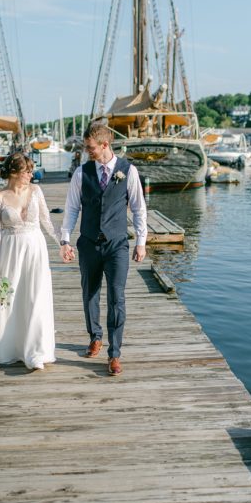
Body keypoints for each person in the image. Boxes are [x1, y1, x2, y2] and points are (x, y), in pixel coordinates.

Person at [59, 121, 147, 376]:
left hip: (117, 244)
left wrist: (141, 241)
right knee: (90, 293)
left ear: (105, 144)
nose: (88, 152)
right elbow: (72, 208)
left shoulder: (127, 171)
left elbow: (139, 208)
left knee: (117, 298)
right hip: (88, 244)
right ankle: (95, 336)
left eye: (91, 148)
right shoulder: (81, 173)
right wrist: (65, 239)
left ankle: (114, 353)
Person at [0, 152, 58, 371]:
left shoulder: (36, 191)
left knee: (35, 295)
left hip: (35, 248)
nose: (31, 175)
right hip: (10, 251)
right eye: (27, 171)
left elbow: (46, 221)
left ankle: (35, 351)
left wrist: (62, 242)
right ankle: (8, 347)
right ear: (14, 172)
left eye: (31, 171)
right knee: (11, 297)